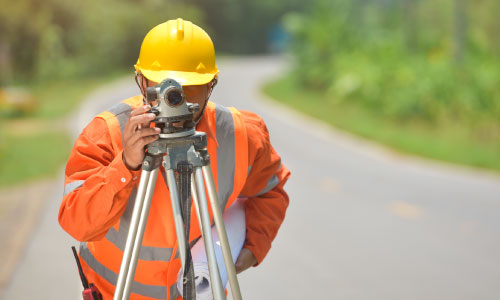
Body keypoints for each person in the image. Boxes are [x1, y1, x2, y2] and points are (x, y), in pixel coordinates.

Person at [59, 18, 290, 300]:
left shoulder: (242, 136)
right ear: (142, 81)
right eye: (163, 87)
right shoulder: (106, 133)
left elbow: (270, 192)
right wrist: (126, 164)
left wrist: (252, 248)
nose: (174, 100)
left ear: (211, 85)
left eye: (188, 88)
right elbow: (78, 223)